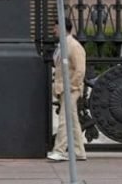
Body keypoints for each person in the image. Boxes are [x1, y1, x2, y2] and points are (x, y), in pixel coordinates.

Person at [46, 18, 87, 162]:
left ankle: (59, 150)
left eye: (55, 27)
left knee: (64, 119)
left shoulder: (74, 46)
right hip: (64, 88)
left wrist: (71, 86)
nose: (53, 30)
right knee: (72, 120)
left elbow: (80, 70)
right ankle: (79, 152)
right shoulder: (63, 45)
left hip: (71, 89)